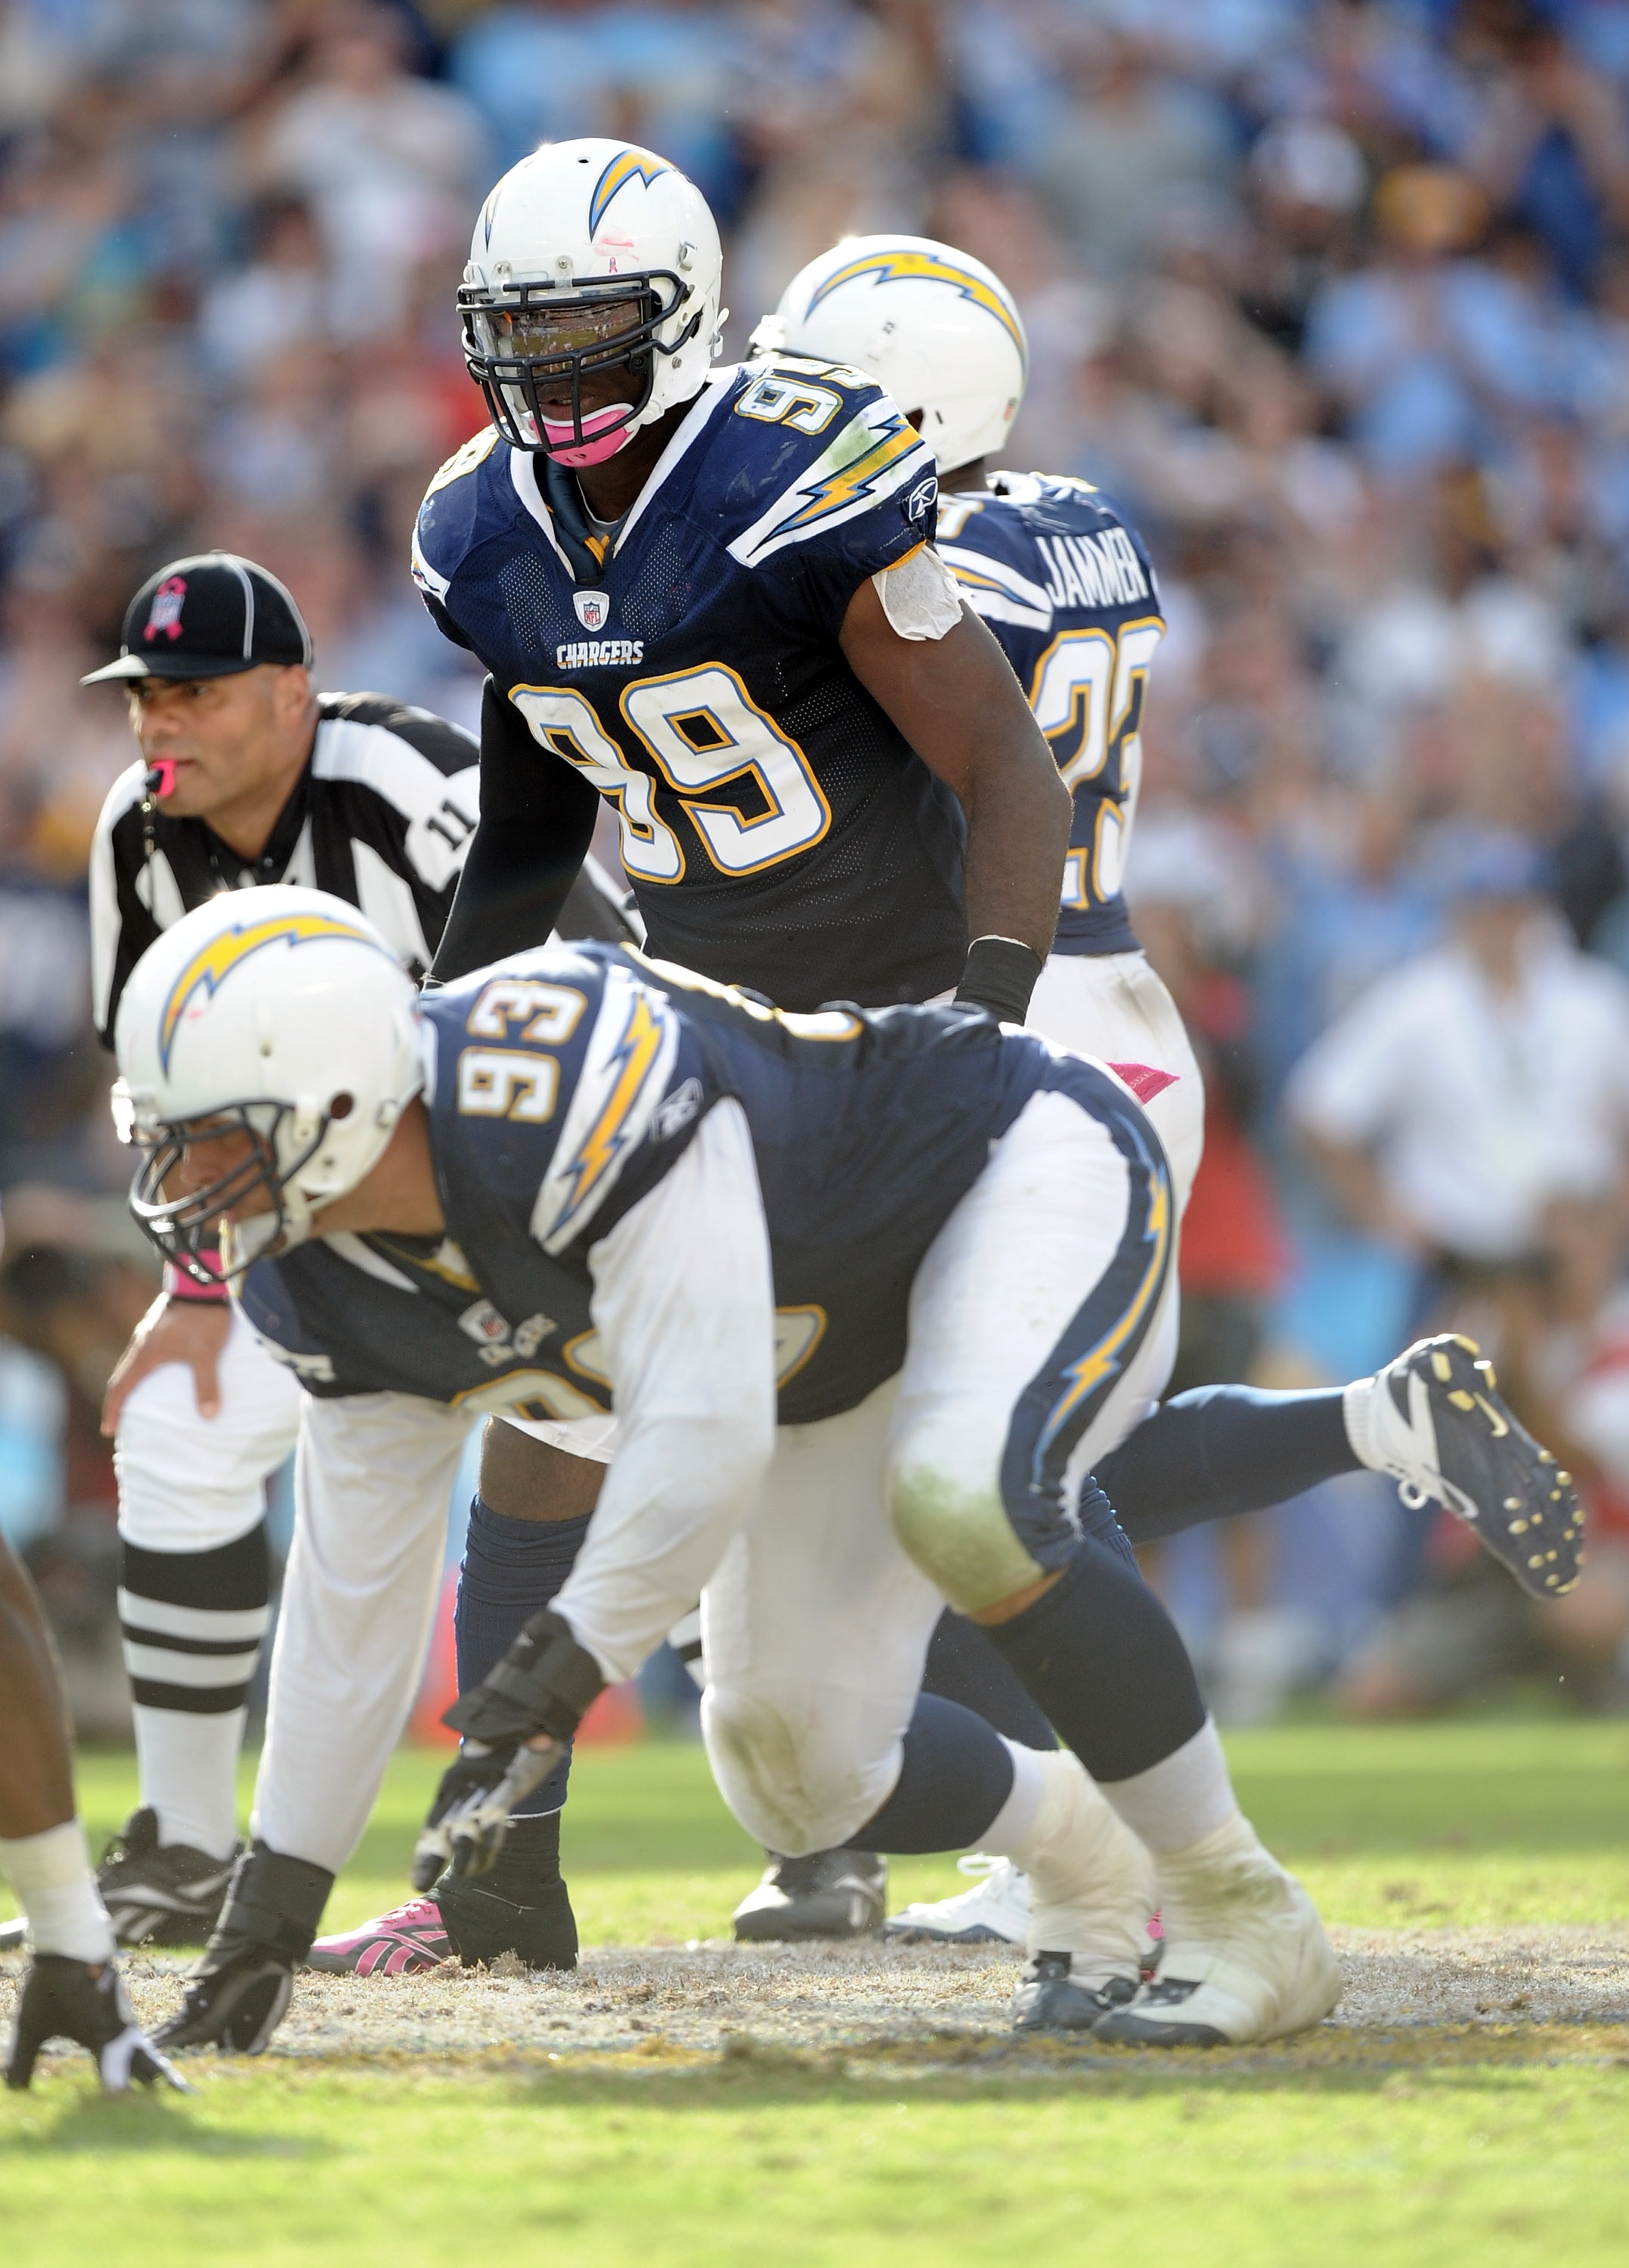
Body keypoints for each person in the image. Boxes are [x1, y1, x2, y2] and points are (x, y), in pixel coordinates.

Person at [320, 175, 1584, 1969]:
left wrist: (953, 1026)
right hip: (986, 999)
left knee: (989, 1478)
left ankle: (1158, 1867)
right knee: (948, 1492)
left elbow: (966, 752)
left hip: (977, 1017)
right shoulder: (1065, 526)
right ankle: (1324, 1472)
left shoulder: (839, 520)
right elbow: (569, 784)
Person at [118, 885, 1349, 2053]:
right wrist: (271, 1917)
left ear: (337, 1098)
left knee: (964, 1500)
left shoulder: (552, 1083)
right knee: (794, 1764)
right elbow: (349, 1610)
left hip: (1007, 1166)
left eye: (208, 1139)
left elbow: (702, 1433)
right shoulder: (313, 1277)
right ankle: (1085, 1855)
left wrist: (560, 1670)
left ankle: (1243, 1907)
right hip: (824, 1351)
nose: (181, 1185)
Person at [82, 547, 626, 1953]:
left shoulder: (411, 788)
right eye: (144, 696)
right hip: (313, 1231)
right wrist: (195, 1292)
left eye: (196, 694)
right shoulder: (135, 837)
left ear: (291, 693)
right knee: (182, 1426)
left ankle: (857, 1845)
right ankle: (192, 1850)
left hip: (528, 1215)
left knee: (732, 1611)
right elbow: (152, 1086)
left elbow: (604, 973)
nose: (160, 724)